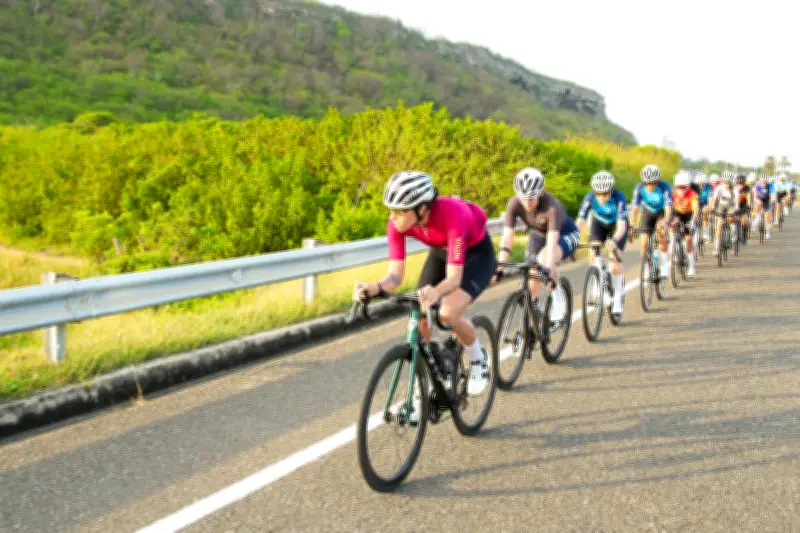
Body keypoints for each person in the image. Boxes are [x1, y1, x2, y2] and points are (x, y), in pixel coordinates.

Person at [353, 170, 495, 397]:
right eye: (391, 209)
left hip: (476, 255)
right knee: (418, 313)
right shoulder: (396, 224)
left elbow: (454, 279)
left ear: (421, 208)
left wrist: (436, 292)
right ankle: (426, 381)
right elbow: (395, 277)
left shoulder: (452, 215)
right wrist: (376, 287)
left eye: (399, 211)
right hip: (441, 253)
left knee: (447, 313)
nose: (393, 216)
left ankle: (479, 359)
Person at [495, 167, 579, 320]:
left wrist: (549, 270)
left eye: (532, 197)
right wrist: (500, 266)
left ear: (542, 191)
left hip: (564, 234)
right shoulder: (514, 203)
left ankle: (558, 294)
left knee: (544, 262)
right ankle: (535, 317)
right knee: (531, 277)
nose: (527, 202)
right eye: (523, 197)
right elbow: (507, 237)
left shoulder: (551, 206)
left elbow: (552, 244)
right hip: (538, 235)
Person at [576, 170, 628, 314]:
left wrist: (615, 240)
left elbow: (622, 225)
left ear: (611, 191)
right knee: (593, 253)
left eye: (605, 193)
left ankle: (617, 298)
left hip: (617, 226)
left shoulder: (619, 198)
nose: (601, 197)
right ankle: (598, 282)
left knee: (614, 261)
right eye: (598, 193)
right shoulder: (589, 197)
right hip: (599, 224)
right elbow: (580, 221)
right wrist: (573, 237)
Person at [630, 164, 673, 278]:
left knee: (661, 235)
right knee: (643, 243)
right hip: (648, 212)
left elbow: (668, 207)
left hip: (661, 212)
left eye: (653, 183)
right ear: (643, 182)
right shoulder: (639, 188)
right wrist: (632, 223)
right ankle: (647, 268)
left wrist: (666, 221)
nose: (650, 185)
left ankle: (664, 264)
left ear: (658, 181)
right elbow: (635, 208)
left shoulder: (664, 187)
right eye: (647, 183)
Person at [669, 170, 700, 276]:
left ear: (688, 186)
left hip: (688, 214)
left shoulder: (692, 194)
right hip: (677, 213)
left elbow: (696, 209)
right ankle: (674, 242)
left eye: (683, 187)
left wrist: (693, 221)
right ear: (675, 186)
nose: (681, 189)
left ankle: (691, 266)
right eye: (678, 187)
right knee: (673, 223)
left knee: (688, 240)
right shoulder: (672, 193)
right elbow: (668, 207)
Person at [710, 171, 737, 255]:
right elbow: (714, 199)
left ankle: (733, 233)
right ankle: (717, 247)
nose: (726, 184)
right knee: (719, 224)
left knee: (731, 218)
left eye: (728, 182)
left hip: (731, 205)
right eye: (725, 182)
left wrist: (736, 208)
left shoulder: (735, 189)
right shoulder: (719, 188)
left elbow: (736, 200)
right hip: (721, 205)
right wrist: (713, 207)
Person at [752, 174, 772, 239]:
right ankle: (757, 218)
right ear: (760, 181)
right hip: (758, 199)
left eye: (765, 181)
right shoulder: (757, 185)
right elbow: (754, 195)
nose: (764, 182)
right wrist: (757, 200)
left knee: (767, 216)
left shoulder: (770, 186)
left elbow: (772, 194)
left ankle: (768, 232)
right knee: (758, 204)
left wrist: (773, 201)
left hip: (766, 201)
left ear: (767, 181)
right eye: (762, 181)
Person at [735, 173, 751, 243]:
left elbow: (749, 197)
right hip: (734, 204)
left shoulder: (747, 188)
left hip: (744, 204)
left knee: (745, 221)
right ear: (736, 183)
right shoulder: (734, 188)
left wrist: (749, 205)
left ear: (744, 182)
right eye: (739, 183)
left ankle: (744, 235)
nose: (740, 184)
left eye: (742, 183)